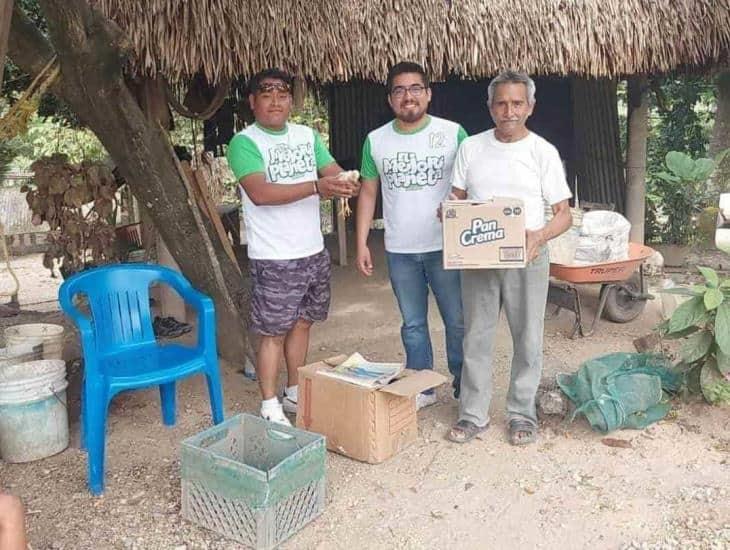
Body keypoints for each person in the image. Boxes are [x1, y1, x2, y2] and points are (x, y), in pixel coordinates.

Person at [446, 70, 572, 444]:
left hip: (528, 257)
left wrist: (540, 236)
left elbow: (564, 213)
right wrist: (451, 214)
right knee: (476, 337)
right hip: (479, 256)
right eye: (501, 102)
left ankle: (521, 412)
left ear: (530, 107)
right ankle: (473, 414)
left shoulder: (542, 152)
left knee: (528, 338)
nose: (509, 110)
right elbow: (457, 197)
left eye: (517, 103)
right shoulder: (471, 147)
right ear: (490, 107)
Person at [227, 68, 357, 426]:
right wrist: (318, 187)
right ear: (253, 102)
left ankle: (294, 390)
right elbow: (260, 193)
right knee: (272, 332)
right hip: (274, 256)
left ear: (291, 101)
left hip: (312, 251)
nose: (275, 101)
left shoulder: (306, 135)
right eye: (266, 94)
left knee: (302, 324)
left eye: (282, 95)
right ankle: (269, 404)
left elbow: (331, 171)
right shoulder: (244, 142)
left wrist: (347, 182)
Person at [356, 61, 467, 409]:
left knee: (458, 321)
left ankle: (466, 384)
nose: (409, 96)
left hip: (447, 246)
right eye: (400, 90)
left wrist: (459, 210)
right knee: (413, 325)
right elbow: (368, 192)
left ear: (428, 94)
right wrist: (360, 242)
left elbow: (471, 184)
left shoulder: (453, 133)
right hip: (400, 249)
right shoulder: (376, 140)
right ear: (390, 99)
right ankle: (423, 386)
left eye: (416, 88)